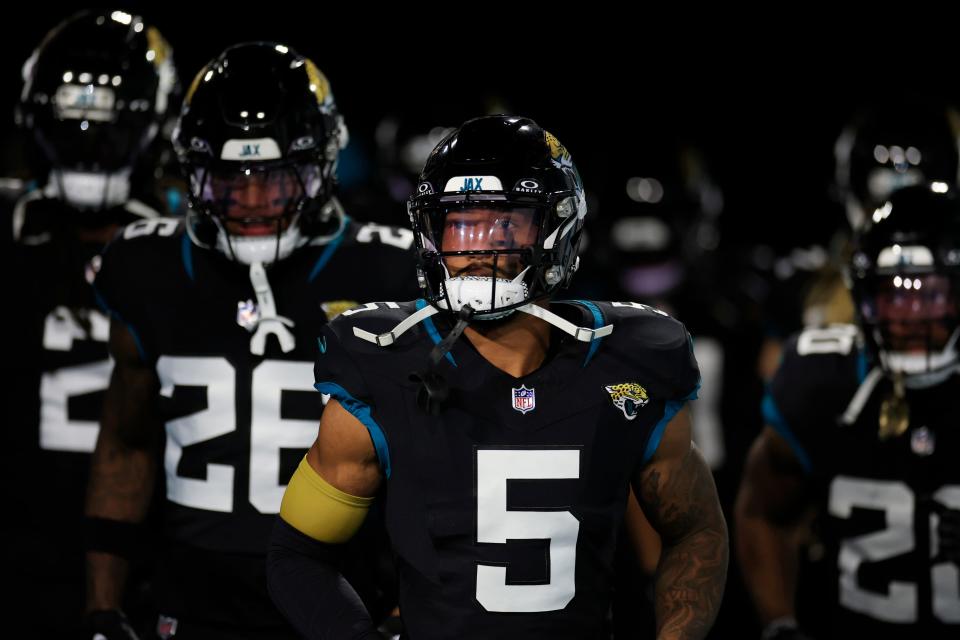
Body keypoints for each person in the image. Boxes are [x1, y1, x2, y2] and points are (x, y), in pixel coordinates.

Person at [268, 115, 728, 639]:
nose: (476, 250)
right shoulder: (384, 362)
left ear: (557, 228)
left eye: (504, 224)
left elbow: (694, 528)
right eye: (460, 225)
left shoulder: (627, 360)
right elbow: (297, 552)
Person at [85, 42, 417, 638]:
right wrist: (102, 606)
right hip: (192, 594)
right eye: (228, 179)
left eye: (278, 177)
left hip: (341, 590)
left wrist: (406, 608)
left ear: (324, 165)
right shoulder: (146, 264)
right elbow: (125, 444)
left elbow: (436, 461)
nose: (253, 202)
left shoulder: (391, 271)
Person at [3, 9, 178, 635]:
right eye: (72, 126)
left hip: (143, 555)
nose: (87, 144)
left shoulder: (182, 249)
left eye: (107, 129)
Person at [736, 184, 960, 639]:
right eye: (893, 296)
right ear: (861, 299)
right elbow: (762, 513)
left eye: (930, 295)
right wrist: (780, 624)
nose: (909, 316)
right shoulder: (823, 382)